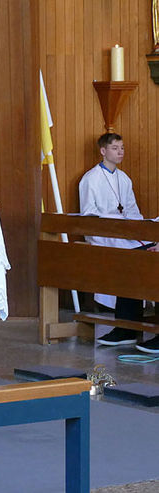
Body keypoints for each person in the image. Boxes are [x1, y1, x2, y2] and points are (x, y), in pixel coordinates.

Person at [78, 132, 158, 350]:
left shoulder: (124, 179)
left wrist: (137, 228)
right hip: (104, 233)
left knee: (142, 252)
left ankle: (129, 325)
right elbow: (89, 214)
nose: (120, 152)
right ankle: (126, 326)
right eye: (115, 148)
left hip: (127, 233)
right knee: (128, 257)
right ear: (103, 151)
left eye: (122, 148)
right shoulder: (90, 179)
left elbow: (132, 211)